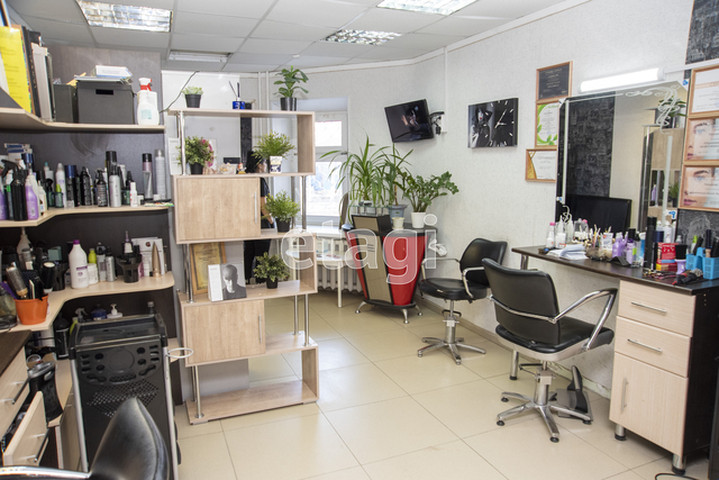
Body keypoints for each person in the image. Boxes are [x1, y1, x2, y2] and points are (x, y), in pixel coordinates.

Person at [244, 150, 273, 282]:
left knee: (248, 253)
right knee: (262, 255)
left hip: (248, 221)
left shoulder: (244, 178)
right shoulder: (259, 180)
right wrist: (270, 220)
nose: (266, 165)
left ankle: (246, 280)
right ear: (259, 165)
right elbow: (263, 205)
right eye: (264, 163)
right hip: (261, 223)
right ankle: (261, 282)